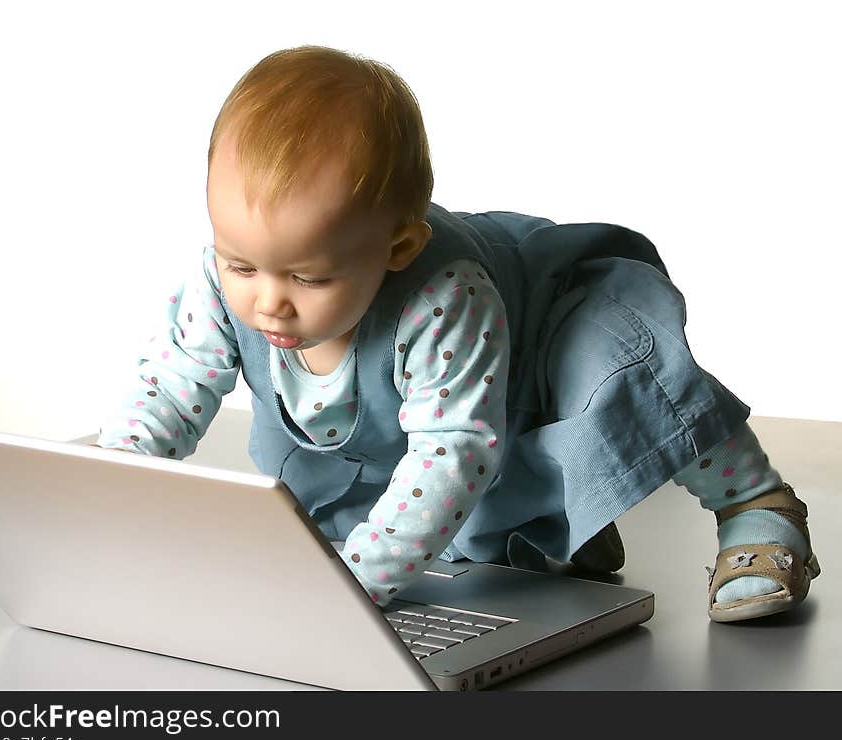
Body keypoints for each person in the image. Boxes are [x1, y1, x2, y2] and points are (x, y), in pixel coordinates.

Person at [95, 45, 819, 622]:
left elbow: (452, 454)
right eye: (241, 262)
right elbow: (172, 387)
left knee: (628, 379)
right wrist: (105, 489)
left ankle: (755, 502)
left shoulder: (441, 295)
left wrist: (351, 597)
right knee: (372, 503)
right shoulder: (225, 285)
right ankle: (555, 523)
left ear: (399, 248)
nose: (268, 303)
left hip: (539, 335)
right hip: (444, 416)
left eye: (308, 279)